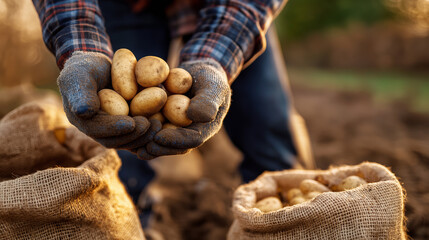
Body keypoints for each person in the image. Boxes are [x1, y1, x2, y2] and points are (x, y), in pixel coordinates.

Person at [32, 0, 308, 227]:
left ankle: (283, 222)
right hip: (120, 6)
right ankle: (130, 225)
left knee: (267, 127)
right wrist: (81, 47)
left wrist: (213, 62)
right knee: (122, 150)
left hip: (234, 7)